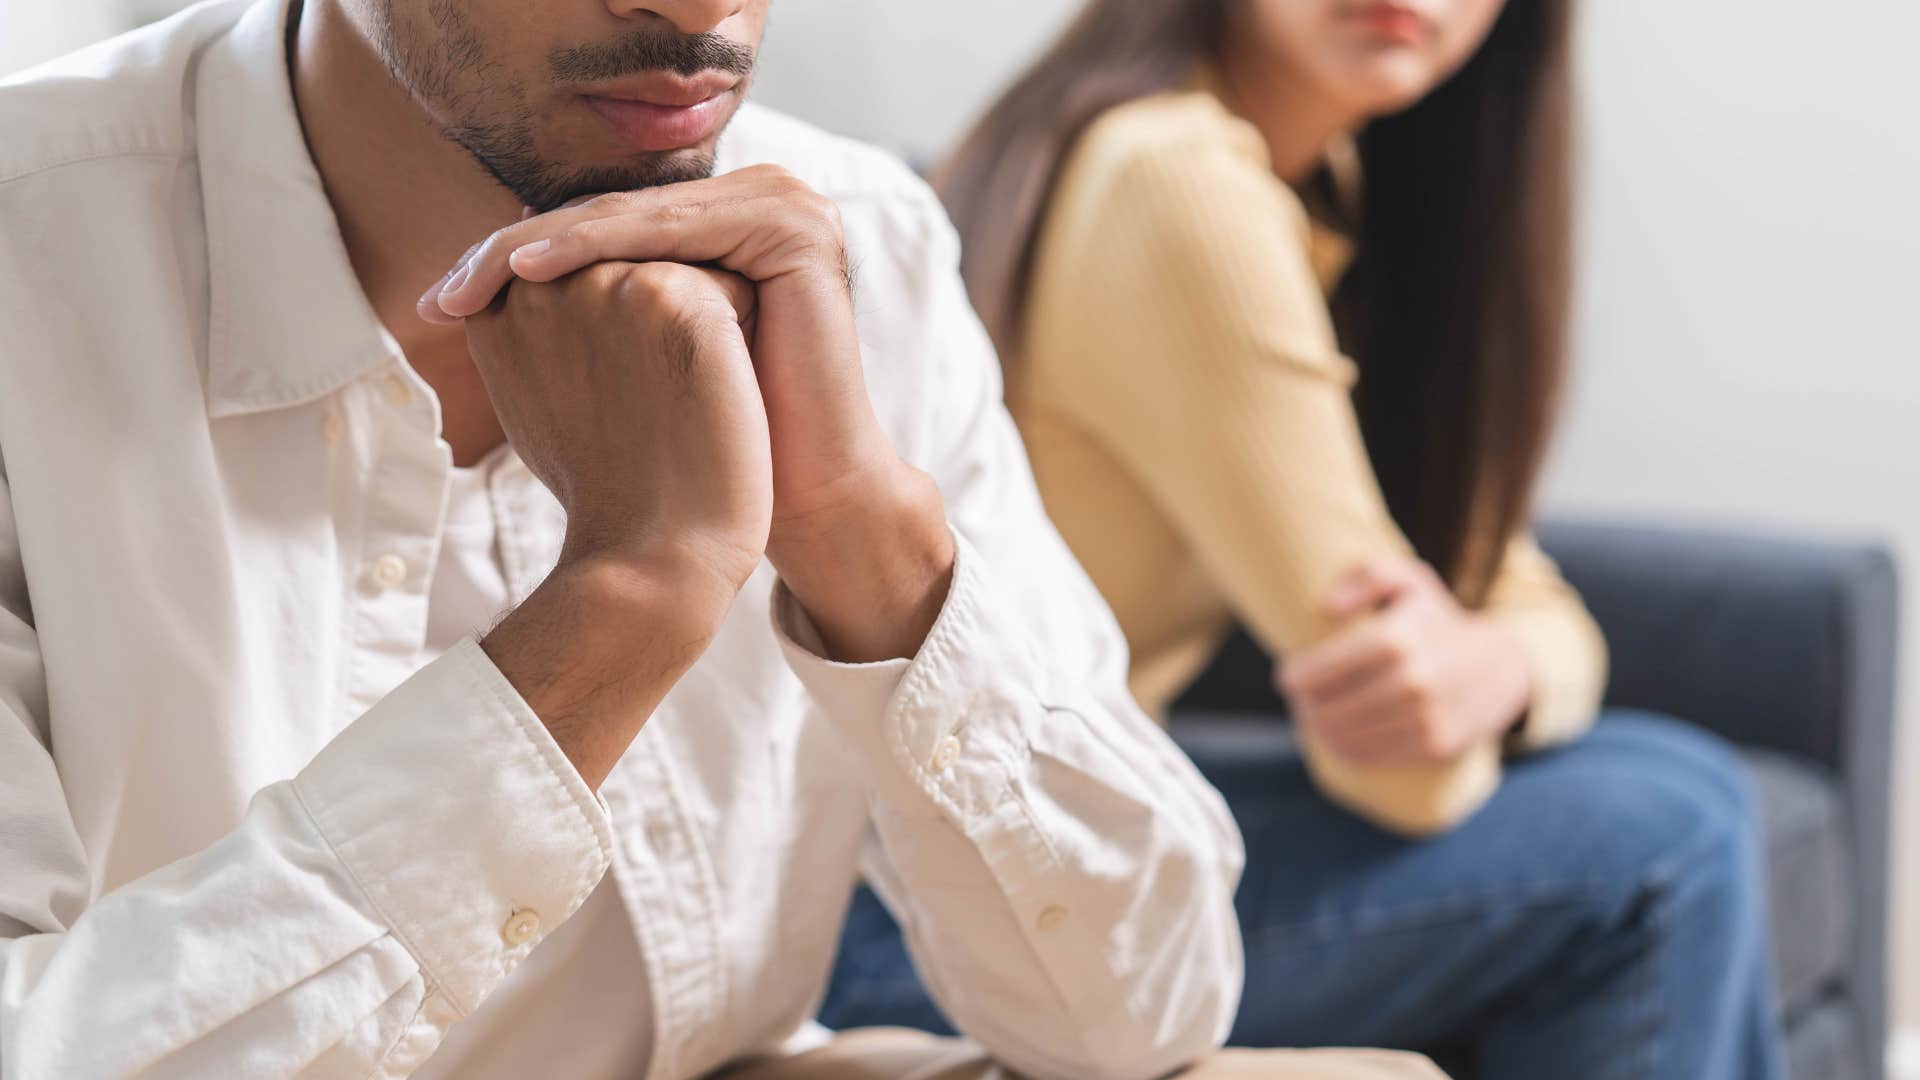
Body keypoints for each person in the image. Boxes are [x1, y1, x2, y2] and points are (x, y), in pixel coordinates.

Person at [0, 0, 1455, 1077]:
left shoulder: (858, 244)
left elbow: (1140, 1021)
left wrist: (861, 535)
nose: (703, 15)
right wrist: (632, 595)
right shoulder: (32, 259)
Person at [819, 1, 1787, 1077]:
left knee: (1675, 787)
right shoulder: (1173, 178)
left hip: (1007, 862)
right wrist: (1481, 666)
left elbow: (1516, 591)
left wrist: (1508, 665)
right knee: (1669, 840)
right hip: (920, 923)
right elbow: (1410, 777)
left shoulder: (1333, 193)